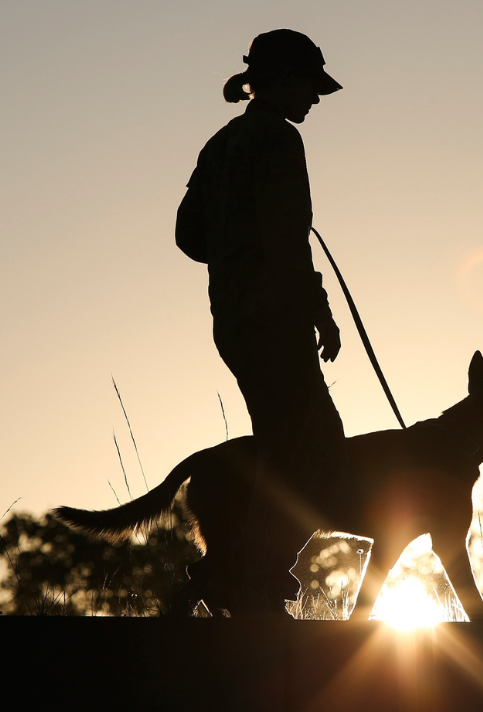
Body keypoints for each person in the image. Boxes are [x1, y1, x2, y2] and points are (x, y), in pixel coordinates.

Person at [175, 29, 346, 614]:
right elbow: (287, 242)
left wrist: (232, 244)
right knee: (315, 450)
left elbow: (188, 237)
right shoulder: (278, 138)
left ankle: (239, 574)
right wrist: (320, 312)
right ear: (282, 77)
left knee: (287, 446)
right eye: (310, 84)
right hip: (276, 320)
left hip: (233, 319)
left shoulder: (221, 143)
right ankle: (251, 578)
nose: (316, 98)